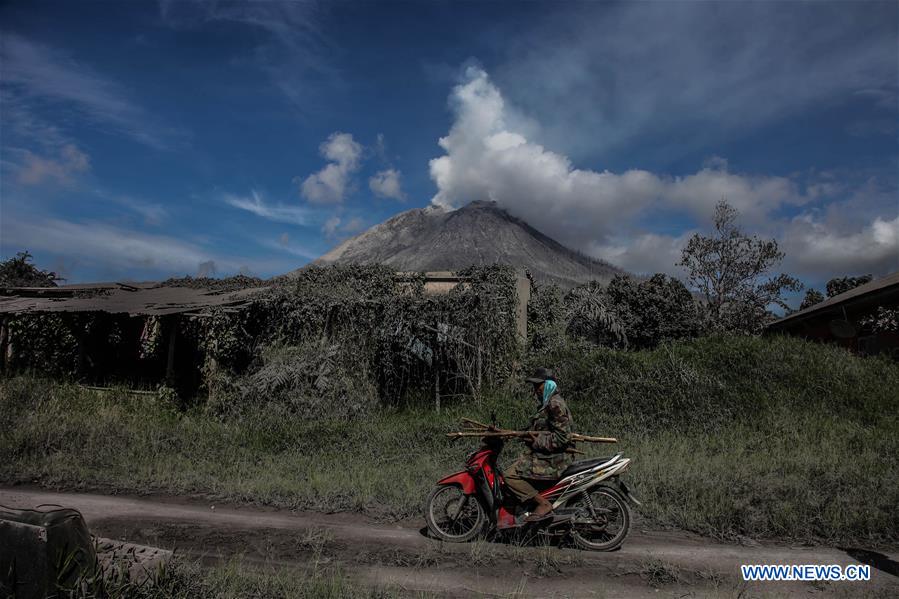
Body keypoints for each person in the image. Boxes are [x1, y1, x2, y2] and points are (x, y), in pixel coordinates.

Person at [503, 367, 575, 521]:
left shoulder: (555, 405)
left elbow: (562, 438)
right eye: (534, 387)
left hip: (556, 460)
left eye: (538, 386)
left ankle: (542, 504)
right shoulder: (547, 404)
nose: (535, 390)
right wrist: (514, 433)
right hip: (547, 456)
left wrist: (535, 441)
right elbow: (539, 430)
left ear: (548, 385)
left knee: (509, 475)